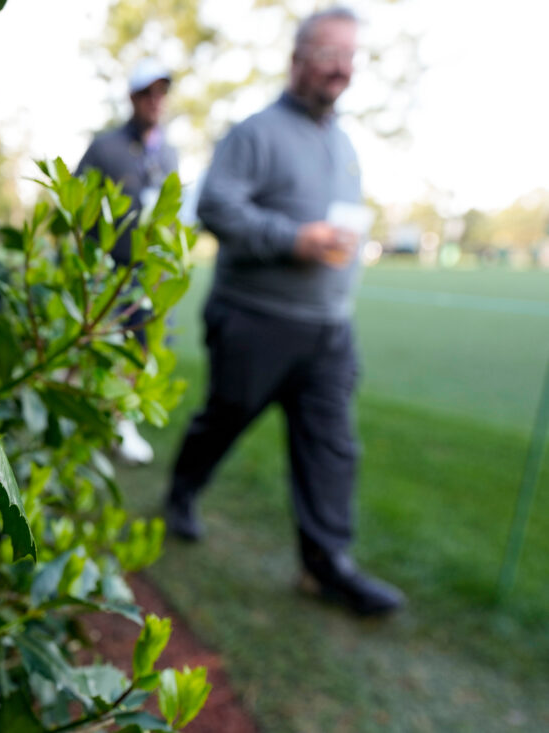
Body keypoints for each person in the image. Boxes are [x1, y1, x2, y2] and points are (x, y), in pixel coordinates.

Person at [163, 7, 404, 616]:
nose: (342, 68)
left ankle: (325, 566)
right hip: (255, 319)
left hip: (328, 329)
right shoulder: (254, 133)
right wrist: (292, 239)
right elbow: (216, 207)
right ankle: (182, 493)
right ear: (297, 59)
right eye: (330, 55)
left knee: (332, 448)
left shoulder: (343, 142)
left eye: (350, 56)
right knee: (225, 419)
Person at [76, 58, 179, 465]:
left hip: (149, 274)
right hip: (109, 271)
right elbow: (77, 207)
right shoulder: (105, 147)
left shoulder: (169, 152)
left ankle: (121, 422)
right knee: (101, 347)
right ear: (133, 97)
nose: (155, 100)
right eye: (147, 93)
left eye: (161, 92)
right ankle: (94, 421)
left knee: (143, 345)